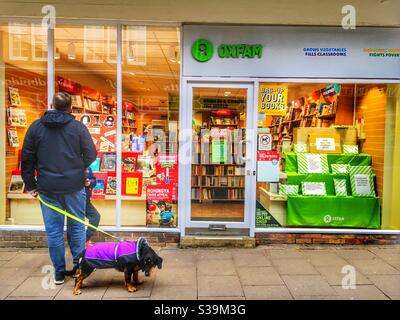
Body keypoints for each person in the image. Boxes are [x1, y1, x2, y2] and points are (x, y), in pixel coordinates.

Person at [21, 92, 97, 285]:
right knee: (78, 227)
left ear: (51, 104)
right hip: (74, 187)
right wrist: (77, 169)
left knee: (54, 232)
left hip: (47, 189)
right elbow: (91, 154)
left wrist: (31, 186)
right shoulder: (78, 128)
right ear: (71, 107)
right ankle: (80, 268)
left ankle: (58, 273)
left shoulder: (36, 128)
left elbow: (27, 160)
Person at [83, 167, 101, 247]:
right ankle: (78, 244)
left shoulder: (88, 168)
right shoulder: (71, 165)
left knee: (95, 217)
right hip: (75, 201)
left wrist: (90, 182)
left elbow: (94, 181)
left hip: (86, 201)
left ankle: (84, 239)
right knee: (77, 222)